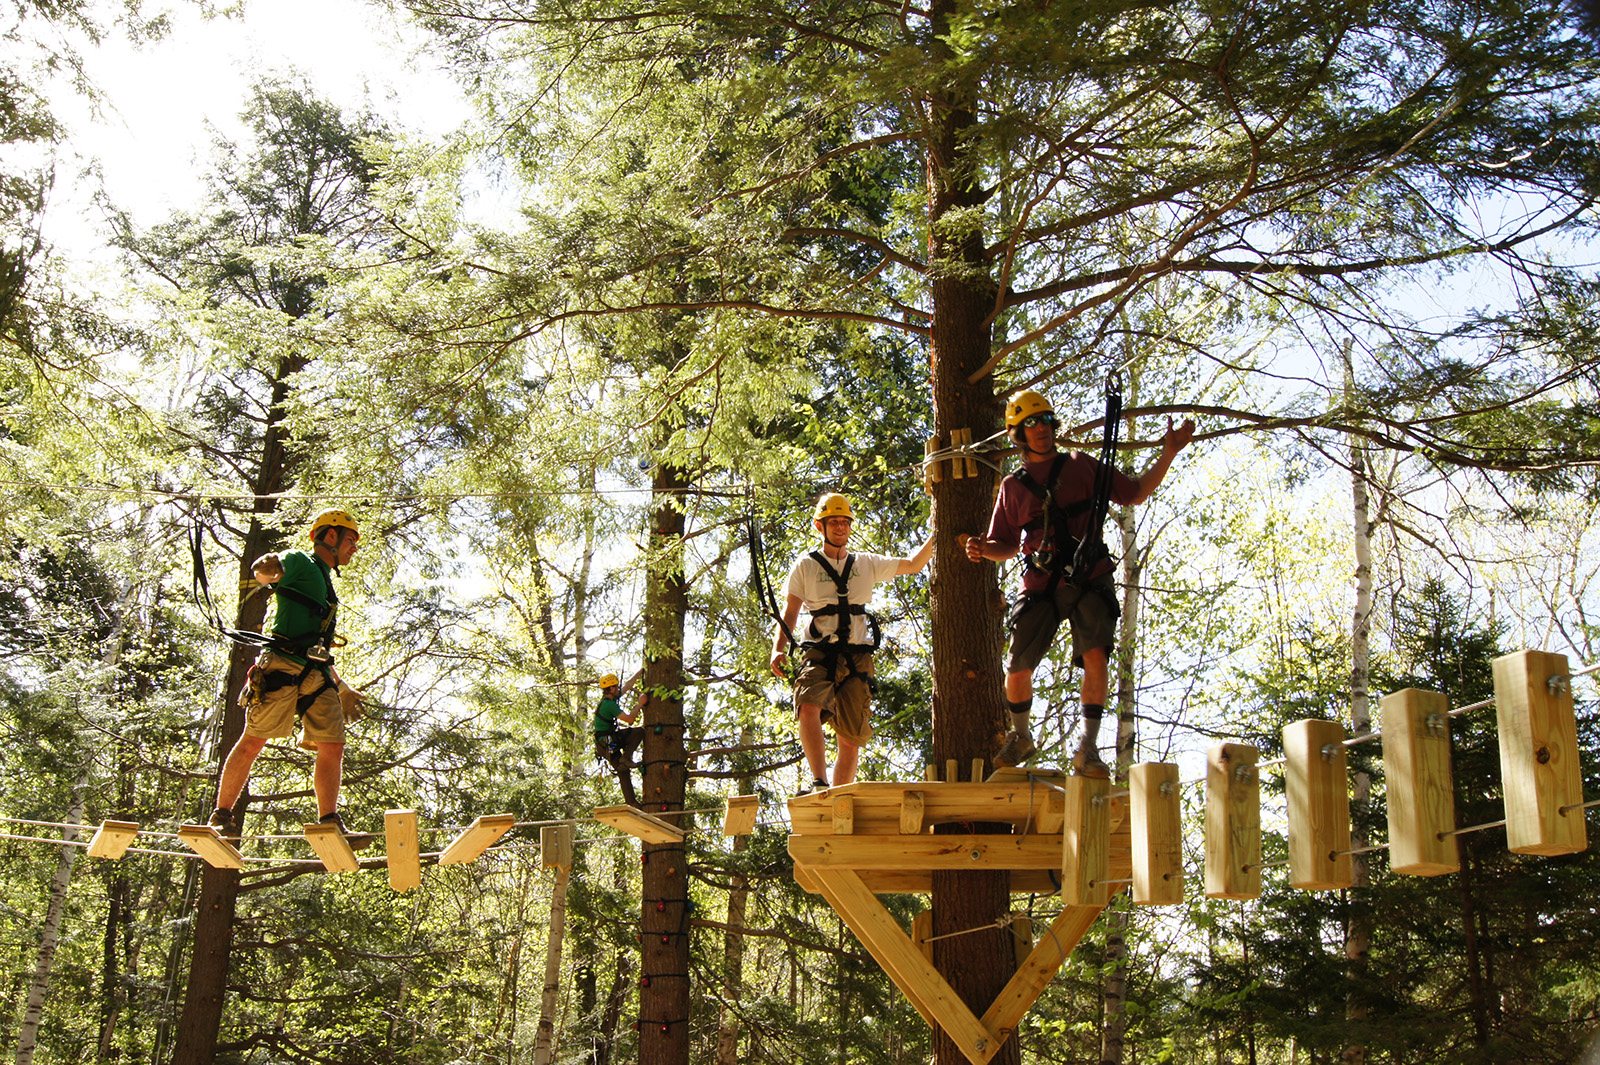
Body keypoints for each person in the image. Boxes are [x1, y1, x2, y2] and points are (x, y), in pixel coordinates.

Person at [964, 390, 1194, 777]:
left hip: (1090, 574)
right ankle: (1021, 736)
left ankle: (1088, 746)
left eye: (1046, 420)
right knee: (1017, 665)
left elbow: (1135, 492)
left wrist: (1169, 452)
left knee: (1095, 657)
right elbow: (1005, 544)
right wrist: (983, 549)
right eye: (1032, 423)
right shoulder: (1013, 486)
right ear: (1018, 433)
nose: (1042, 428)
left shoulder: (1080, 465)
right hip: (1041, 582)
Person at [208, 509, 367, 840]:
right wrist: (267, 567)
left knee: (333, 744)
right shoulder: (300, 561)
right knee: (253, 740)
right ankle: (221, 816)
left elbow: (317, 649)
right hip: (282, 665)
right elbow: (268, 570)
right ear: (331, 535)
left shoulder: (325, 582)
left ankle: (329, 821)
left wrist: (342, 687)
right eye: (351, 540)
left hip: (316, 672)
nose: (354, 548)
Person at [770, 493, 934, 792]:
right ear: (820, 526)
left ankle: (838, 796)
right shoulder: (805, 566)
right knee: (807, 705)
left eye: (845, 522)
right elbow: (791, 611)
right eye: (833, 521)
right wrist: (778, 648)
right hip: (820, 653)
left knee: (850, 737)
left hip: (858, 657)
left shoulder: (866, 563)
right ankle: (819, 782)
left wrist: (939, 531)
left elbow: (913, 564)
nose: (840, 527)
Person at [593, 671, 642, 806]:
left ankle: (632, 803)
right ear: (610, 689)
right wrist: (640, 704)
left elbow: (628, 685)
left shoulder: (610, 699)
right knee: (639, 732)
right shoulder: (609, 705)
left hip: (604, 745)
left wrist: (640, 671)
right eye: (616, 686)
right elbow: (630, 720)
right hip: (608, 742)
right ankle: (626, 758)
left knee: (623, 771)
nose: (618, 688)